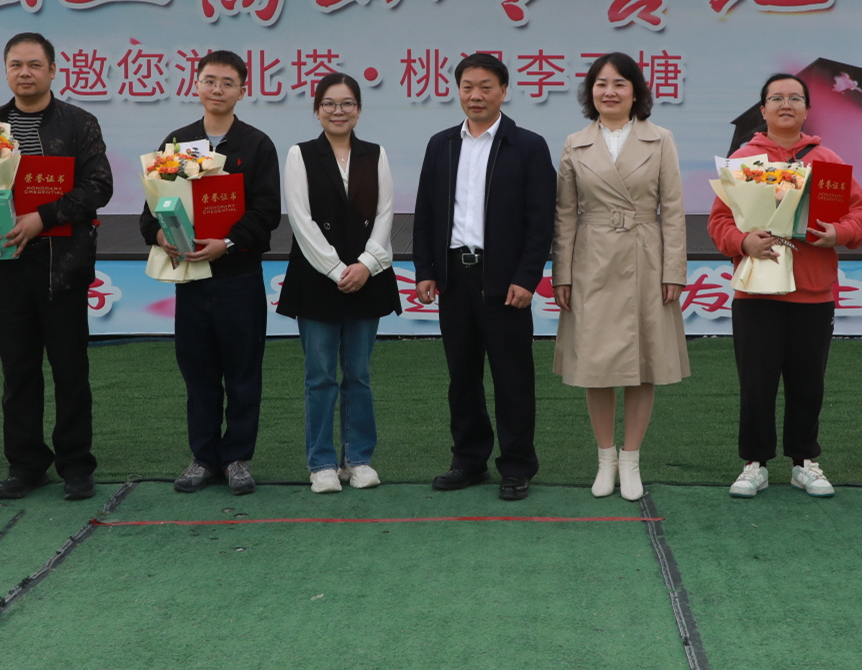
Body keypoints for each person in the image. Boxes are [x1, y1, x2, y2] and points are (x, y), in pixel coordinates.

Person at [0, 32, 114, 501]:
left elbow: (98, 186)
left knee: (70, 372)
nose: (24, 73)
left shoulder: (79, 123)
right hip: (5, 268)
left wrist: (42, 217)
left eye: (34, 65)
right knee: (18, 373)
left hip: (62, 269)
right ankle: (25, 465)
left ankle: (76, 465)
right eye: (16, 65)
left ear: (52, 71)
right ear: (6, 71)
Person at [709, 73, 862, 499]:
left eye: (795, 98)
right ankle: (755, 463)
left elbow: (860, 213)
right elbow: (719, 222)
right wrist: (742, 242)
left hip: (812, 291)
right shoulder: (743, 161)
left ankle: (804, 461)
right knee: (756, 382)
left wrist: (839, 233)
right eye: (777, 98)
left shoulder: (827, 160)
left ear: (806, 109)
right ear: (763, 109)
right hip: (756, 290)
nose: (786, 104)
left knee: (808, 382)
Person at [413, 52, 557, 501]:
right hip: (454, 277)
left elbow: (541, 220)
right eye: (468, 87)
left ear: (504, 91)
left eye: (486, 87)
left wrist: (527, 277)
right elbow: (426, 212)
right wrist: (425, 270)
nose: (476, 95)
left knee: (513, 378)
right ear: (458, 90)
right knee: (462, 376)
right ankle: (468, 460)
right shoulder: (441, 144)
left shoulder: (527, 146)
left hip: (505, 280)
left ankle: (516, 466)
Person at [552, 52, 688, 502]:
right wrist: (562, 274)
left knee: (643, 362)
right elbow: (564, 215)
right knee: (595, 365)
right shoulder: (575, 143)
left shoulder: (660, 139)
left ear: (636, 92)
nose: (609, 92)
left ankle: (631, 460)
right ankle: (605, 459)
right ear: (590, 92)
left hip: (645, 256)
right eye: (601, 84)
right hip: (591, 259)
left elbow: (673, 210)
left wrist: (674, 270)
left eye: (619, 84)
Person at [145, 50, 282, 496]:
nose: (217, 89)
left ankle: (237, 457)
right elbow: (151, 209)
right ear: (196, 85)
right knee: (198, 373)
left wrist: (227, 243)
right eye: (209, 80)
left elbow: (266, 212)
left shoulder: (257, 145)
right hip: (191, 280)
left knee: (243, 373)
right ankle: (204, 458)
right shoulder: (177, 144)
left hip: (238, 278)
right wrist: (160, 235)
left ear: (243, 90)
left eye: (227, 82)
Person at [276, 73, 401, 494]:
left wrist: (365, 265)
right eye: (329, 104)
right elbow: (301, 219)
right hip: (316, 280)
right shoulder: (300, 154)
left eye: (347, 103)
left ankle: (359, 459)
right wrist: (336, 270)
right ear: (317, 110)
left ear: (359, 110)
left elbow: (385, 214)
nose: (338, 111)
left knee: (358, 374)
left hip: (367, 278)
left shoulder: (375, 154)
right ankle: (322, 463)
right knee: (320, 376)